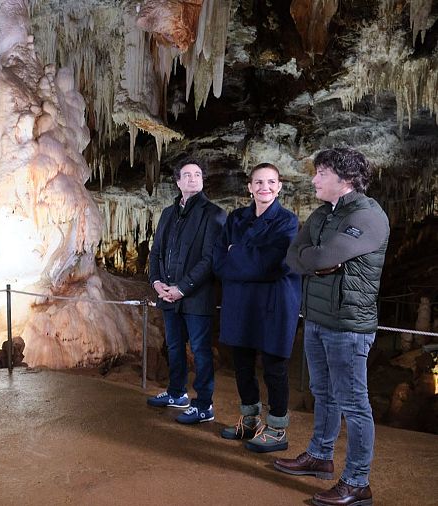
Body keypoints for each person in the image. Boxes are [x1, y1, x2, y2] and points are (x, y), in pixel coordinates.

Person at [277, 148, 389, 506]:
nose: (314, 179)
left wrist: (320, 260)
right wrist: (319, 262)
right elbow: (295, 257)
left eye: (321, 173)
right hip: (316, 319)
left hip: (348, 325)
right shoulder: (325, 214)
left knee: (354, 404)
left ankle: (357, 482)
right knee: (322, 393)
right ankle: (320, 456)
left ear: (345, 179)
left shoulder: (369, 215)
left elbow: (321, 256)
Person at [213, 163, 301, 452]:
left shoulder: (287, 221)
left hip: (273, 303)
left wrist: (236, 253)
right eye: (259, 182)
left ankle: (276, 429)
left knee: (274, 366)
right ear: (249, 187)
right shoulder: (236, 218)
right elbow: (219, 260)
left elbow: (275, 263)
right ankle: (249, 420)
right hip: (241, 303)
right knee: (242, 364)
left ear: (279, 187)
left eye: (271, 182)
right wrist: (246, 259)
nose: (265, 187)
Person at [146, 158, 225, 424]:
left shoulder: (213, 213)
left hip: (197, 297)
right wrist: (157, 283)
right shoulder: (168, 213)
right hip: (168, 295)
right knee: (175, 346)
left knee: (201, 350)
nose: (193, 178)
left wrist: (182, 288)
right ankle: (176, 393)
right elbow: (156, 251)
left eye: (198, 174)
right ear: (178, 181)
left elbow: (210, 259)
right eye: (187, 175)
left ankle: (204, 405)